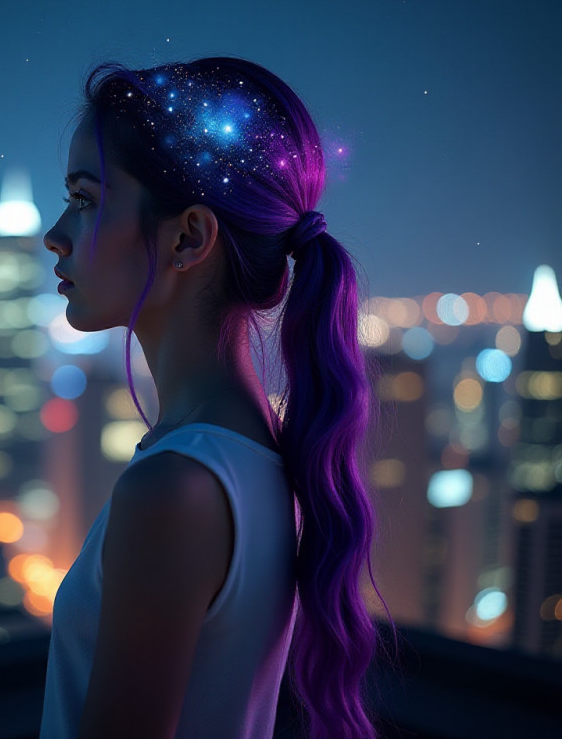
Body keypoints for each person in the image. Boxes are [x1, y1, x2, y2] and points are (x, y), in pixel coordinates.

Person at [40, 57, 390, 739]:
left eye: (84, 199)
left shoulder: (176, 490)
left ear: (188, 236)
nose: (55, 234)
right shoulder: (262, 457)